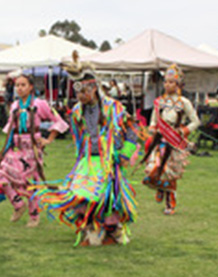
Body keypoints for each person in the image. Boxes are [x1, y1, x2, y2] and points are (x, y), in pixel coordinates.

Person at [32, 55, 141, 246]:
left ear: (94, 88)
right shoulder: (77, 111)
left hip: (108, 162)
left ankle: (110, 231)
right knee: (82, 194)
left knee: (105, 198)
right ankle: (92, 230)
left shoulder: (113, 108)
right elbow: (78, 136)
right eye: (78, 92)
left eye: (84, 91)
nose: (80, 96)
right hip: (87, 160)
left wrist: (125, 152)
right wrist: (81, 155)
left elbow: (132, 129)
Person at [0, 75, 68, 228]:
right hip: (16, 148)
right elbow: (10, 128)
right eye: (17, 85)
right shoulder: (14, 106)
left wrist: (48, 139)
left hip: (32, 149)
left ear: (31, 87)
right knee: (0, 174)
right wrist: (6, 149)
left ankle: (34, 216)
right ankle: (18, 205)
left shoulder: (40, 104)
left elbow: (58, 121)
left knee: (32, 183)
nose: (19, 88)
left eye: (23, 85)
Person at [142, 64, 200, 215]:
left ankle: (170, 202)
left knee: (169, 173)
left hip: (174, 142)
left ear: (178, 84)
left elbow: (196, 121)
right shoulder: (159, 101)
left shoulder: (184, 103)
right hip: (160, 140)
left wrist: (183, 130)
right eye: (166, 82)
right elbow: (154, 120)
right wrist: (152, 129)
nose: (167, 85)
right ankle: (160, 188)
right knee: (153, 169)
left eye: (171, 82)